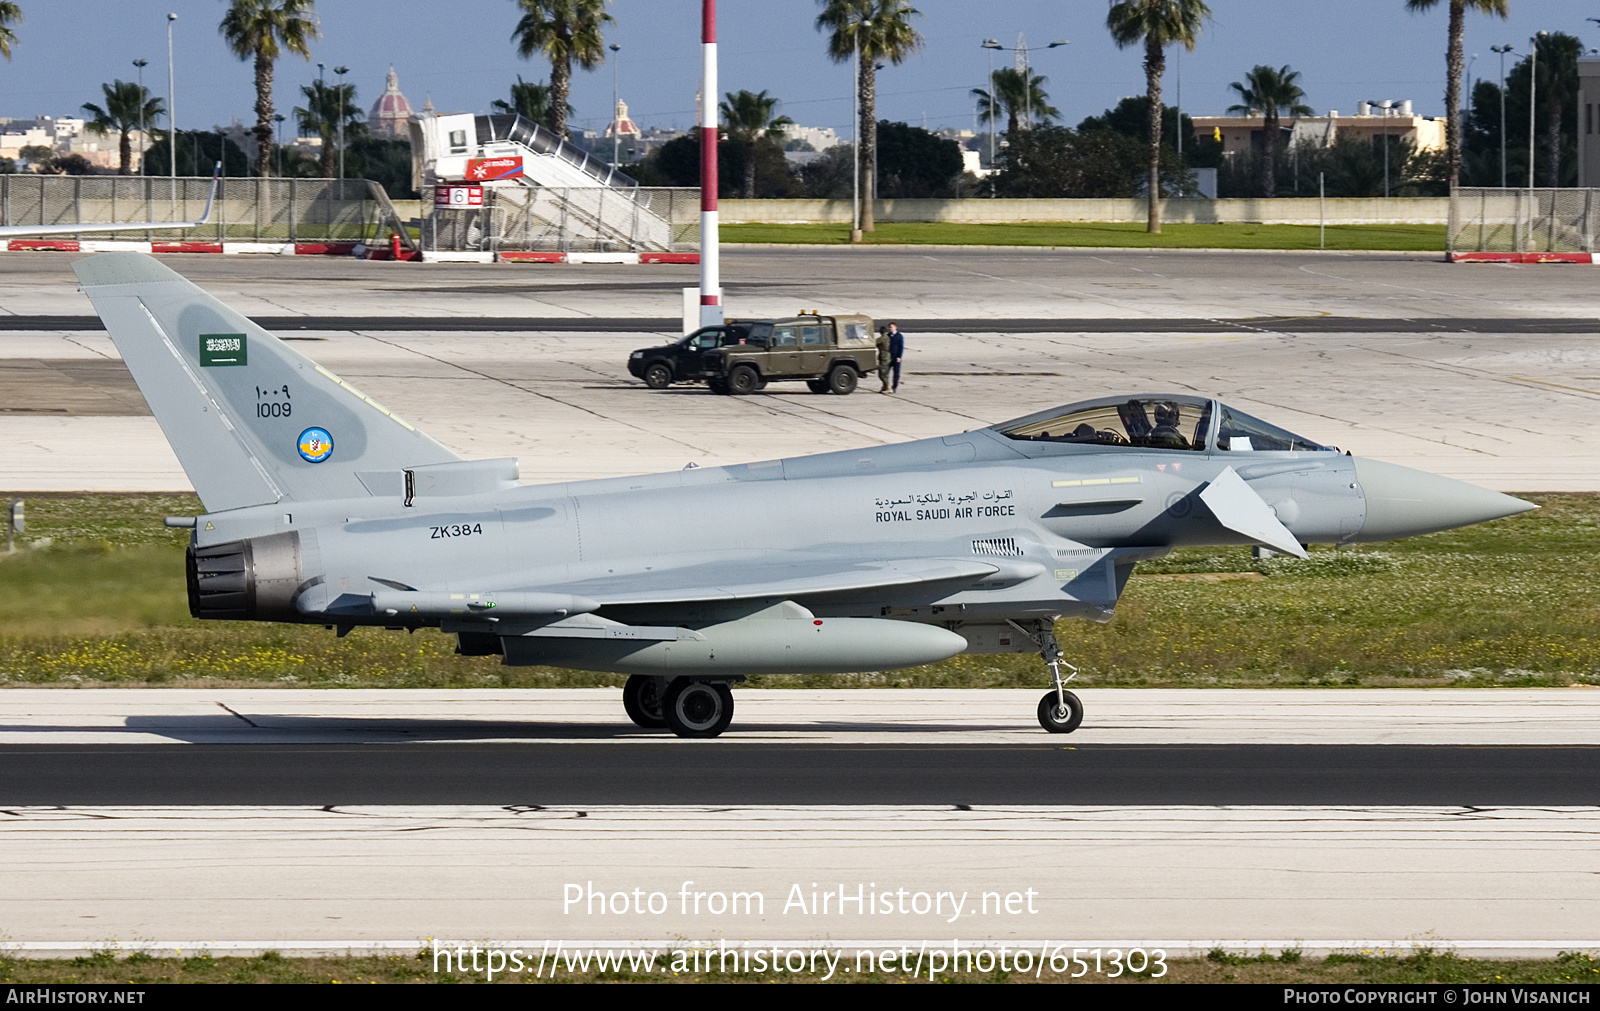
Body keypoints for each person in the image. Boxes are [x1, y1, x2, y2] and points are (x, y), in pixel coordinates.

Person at [886, 322, 904, 393]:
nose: (890, 328)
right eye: (890, 327)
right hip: (889, 357)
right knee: (886, 372)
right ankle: (887, 386)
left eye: (892, 327)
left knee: (896, 373)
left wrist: (899, 356)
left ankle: (894, 387)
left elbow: (901, 347)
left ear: (895, 327)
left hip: (896, 357)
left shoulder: (899, 336)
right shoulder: (888, 336)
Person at [874, 326, 892, 392]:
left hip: (884, 358)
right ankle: (885, 387)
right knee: (885, 373)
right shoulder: (889, 338)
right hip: (889, 357)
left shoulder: (881, 339)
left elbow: (873, 343)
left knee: (881, 374)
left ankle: (887, 386)